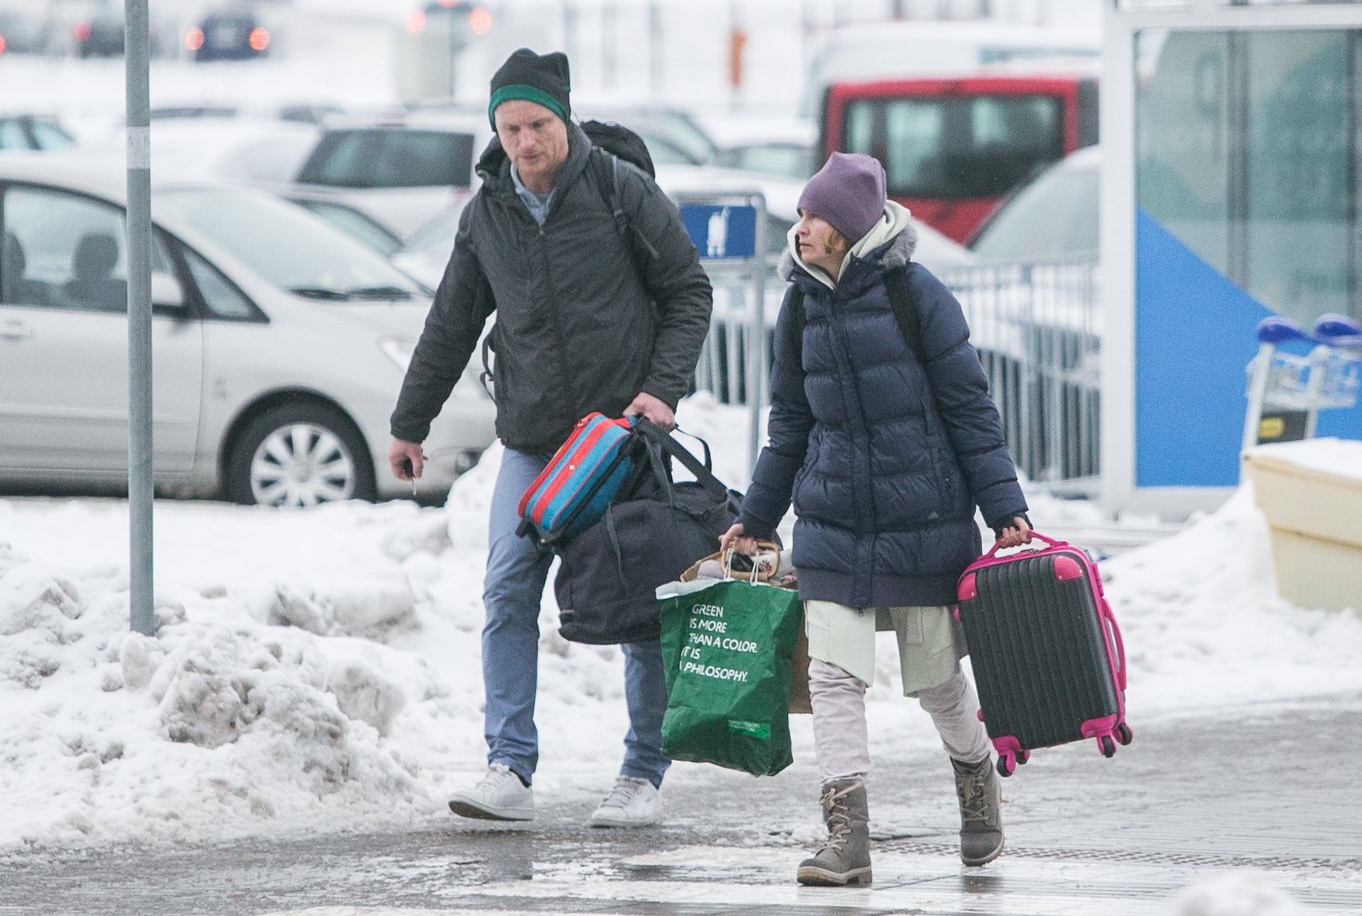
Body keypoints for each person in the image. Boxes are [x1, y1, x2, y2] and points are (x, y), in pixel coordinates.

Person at [389, 48, 712, 828]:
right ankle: (508, 765)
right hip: (535, 444)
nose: (525, 143)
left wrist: (660, 391)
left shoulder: (617, 191)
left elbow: (687, 291)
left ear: (562, 118)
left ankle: (641, 774)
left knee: (641, 604)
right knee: (505, 591)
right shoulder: (488, 211)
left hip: (622, 442)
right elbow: (452, 323)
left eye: (537, 124)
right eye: (510, 127)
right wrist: (410, 423)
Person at [719, 152, 1033, 885]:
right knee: (832, 676)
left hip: (921, 516)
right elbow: (790, 422)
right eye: (798, 215)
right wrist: (759, 516)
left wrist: (1004, 507)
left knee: (935, 680)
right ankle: (846, 838)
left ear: (850, 226)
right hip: (832, 522)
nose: (799, 230)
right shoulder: (799, 304)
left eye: (811, 217)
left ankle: (977, 783)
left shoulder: (917, 297)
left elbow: (969, 411)